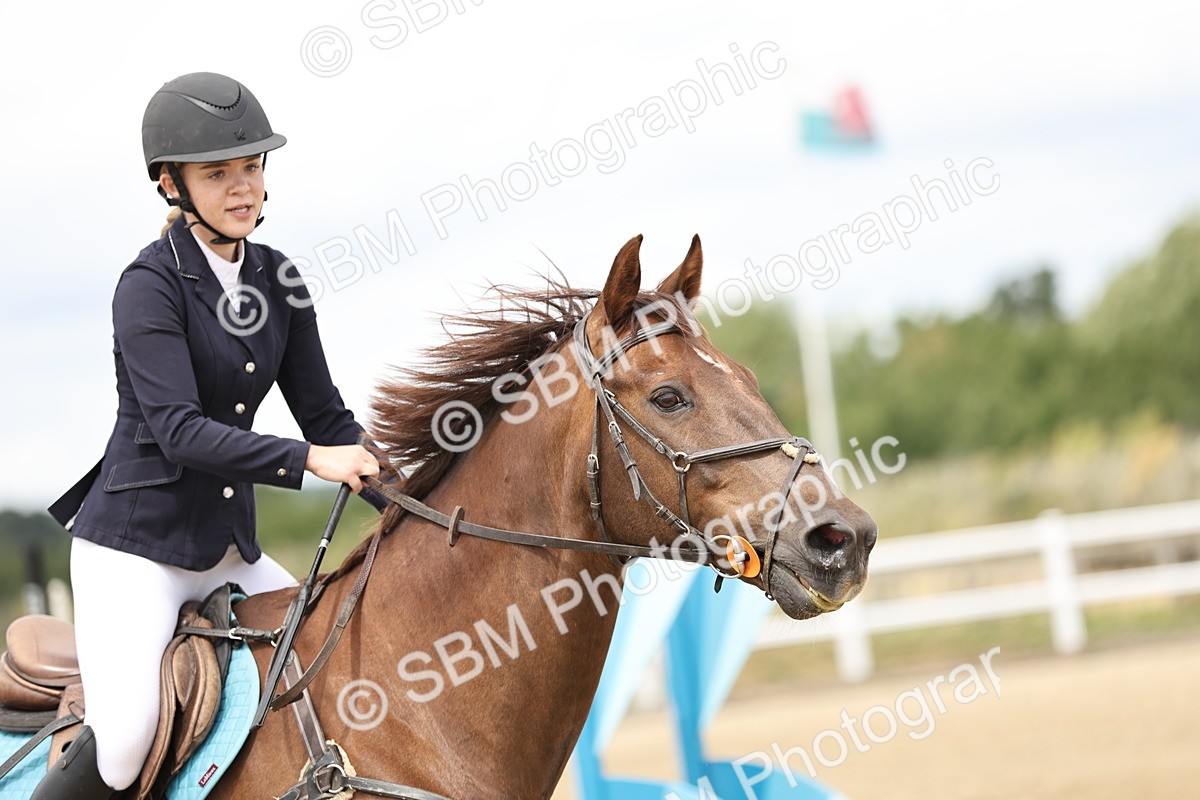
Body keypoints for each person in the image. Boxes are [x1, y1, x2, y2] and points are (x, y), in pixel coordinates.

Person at [39, 72, 385, 798]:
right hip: (137, 551)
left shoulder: (279, 279)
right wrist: (312, 461)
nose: (243, 187)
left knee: (337, 662)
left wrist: (414, 501)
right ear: (171, 184)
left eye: (252, 167)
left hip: (231, 550)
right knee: (126, 741)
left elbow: (328, 418)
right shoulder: (148, 285)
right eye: (218, 173)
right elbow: (180, 433)